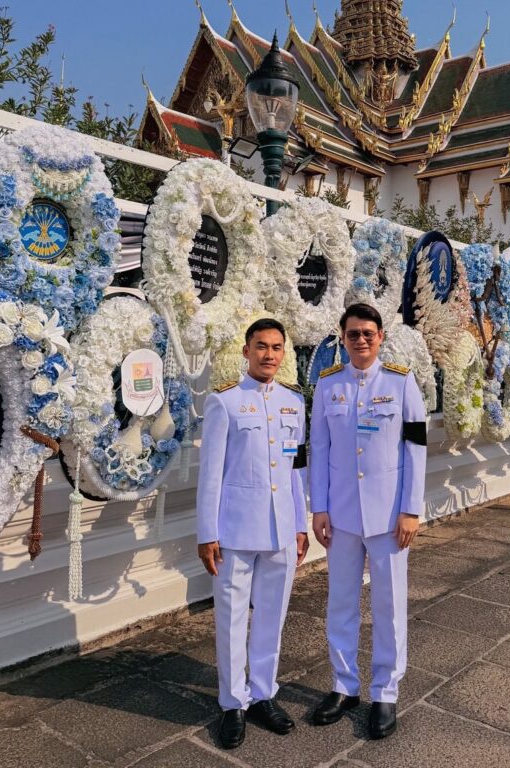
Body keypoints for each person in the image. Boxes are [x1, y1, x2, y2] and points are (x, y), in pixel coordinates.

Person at [309, 302, 427, 740]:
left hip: (389, 516)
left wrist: (411, 509)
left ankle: (385, 692)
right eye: (353, 333)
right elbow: (319, 447)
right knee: (340, 603)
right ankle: (344, 686)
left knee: (388, 607)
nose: (361, 340)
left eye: (368, 333)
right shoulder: (328, 385)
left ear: (380, 337)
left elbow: (416, 447)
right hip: (341, 515)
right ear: (342, 339)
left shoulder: (400, 381)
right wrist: (319, 508)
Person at [197, 317, 310, 750]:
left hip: (281, 529)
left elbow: (295, 469)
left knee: (272, 617)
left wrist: (299, 524)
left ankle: (263, 693)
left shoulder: (293, 402)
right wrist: (207, 533)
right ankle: (232, 703)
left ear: (284, 353)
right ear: (246, 351)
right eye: (261, 346)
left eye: (276, 347)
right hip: (235, 530)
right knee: (231, 618)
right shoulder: (224, 401)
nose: (269, 354)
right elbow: (211, 475)